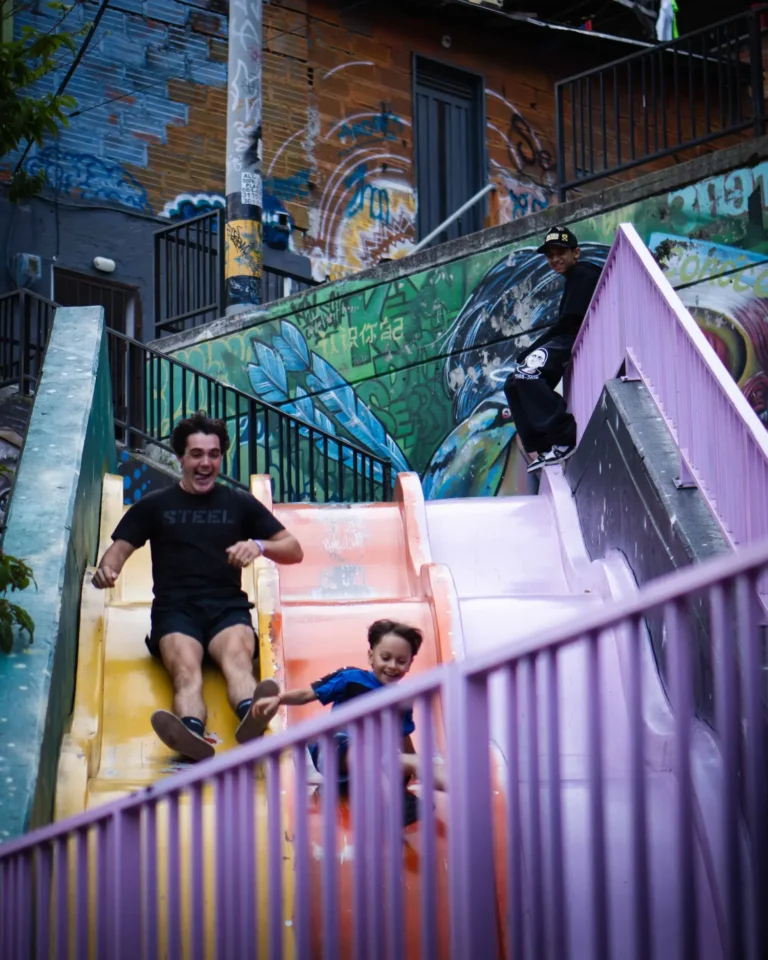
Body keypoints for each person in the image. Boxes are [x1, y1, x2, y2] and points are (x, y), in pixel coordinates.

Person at [92, 413, 303, 762]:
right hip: (175, 613)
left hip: (227, 609)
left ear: (221, 457)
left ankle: (252, 714)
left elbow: (294, 549)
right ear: (180, 458)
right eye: (197, 454)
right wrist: (107, 573)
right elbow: (117, 553)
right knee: (187, 671)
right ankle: (191, 732)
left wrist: (260, 546)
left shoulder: (238, 504)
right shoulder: (155, 506)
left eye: (214, 454)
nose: (206, 463)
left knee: (237, 661)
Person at [251, 619, 425, 823]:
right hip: (335, 751)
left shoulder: (402, 699)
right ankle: (392, 807)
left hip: (366, 769)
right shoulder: (351, 678)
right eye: (385, 658)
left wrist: (416, 766)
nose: (392, 666)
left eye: (401, 661)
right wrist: (279, 699)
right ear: (371, 656)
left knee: (407, 760)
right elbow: (308, 694)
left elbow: (402, 736)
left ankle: (463, 799)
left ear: (410, 664)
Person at [504, 225, 602, 473]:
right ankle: (545, 446)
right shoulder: (575, 277)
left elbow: (569, 322)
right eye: (550, 255)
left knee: (526, 373)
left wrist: (533, 349)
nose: (555, 259)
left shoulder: (583, 274)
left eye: (561, 253)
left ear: (576, 253)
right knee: (513, 381)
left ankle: (563, 436)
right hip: (567, 337)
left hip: (574, 338)